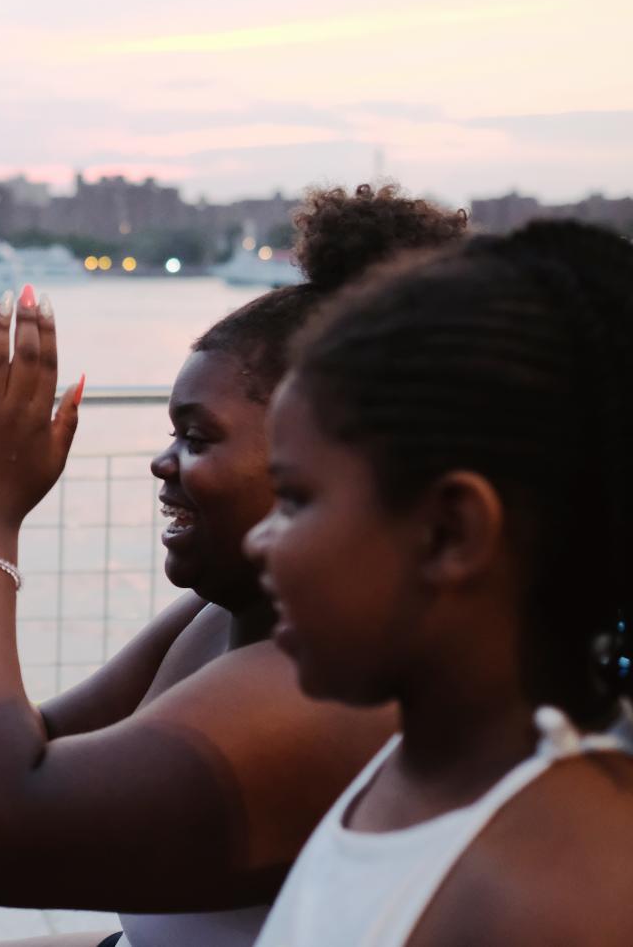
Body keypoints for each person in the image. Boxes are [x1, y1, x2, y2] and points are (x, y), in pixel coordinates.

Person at [0, 187, 465, 946]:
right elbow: (38, 751)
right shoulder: (216, 620)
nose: (165, 463)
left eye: (198, 437)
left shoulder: (332, 688)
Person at [247, 220, 633, 946]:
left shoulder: (555, 896)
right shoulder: (409, 768)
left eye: (295, 499)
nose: (257, 538)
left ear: (450, 534)